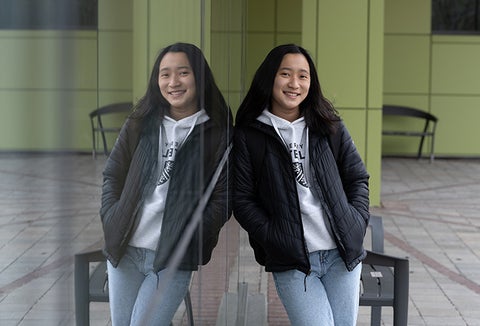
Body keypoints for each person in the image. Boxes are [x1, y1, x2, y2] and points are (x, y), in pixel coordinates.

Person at [233, 44, 370, 326]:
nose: (294, 84)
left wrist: (355, 220)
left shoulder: (329, 125)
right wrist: (274, 236)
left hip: (341, 254)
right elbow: (242, 199)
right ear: (270, 77)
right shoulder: (250, 135)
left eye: (303, 76)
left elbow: (357, 178)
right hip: (293, 261)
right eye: (285, 74)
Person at [100, 42, 232, 325]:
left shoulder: (217, 132)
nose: (173, 82)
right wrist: (112, 217)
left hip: (172, 257)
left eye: (183, 72)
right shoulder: (141, 121)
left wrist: (192, 238)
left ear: (199, 76)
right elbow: (113, 175)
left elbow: (224, 199)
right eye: (165, 74)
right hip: (125, 251)